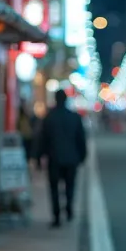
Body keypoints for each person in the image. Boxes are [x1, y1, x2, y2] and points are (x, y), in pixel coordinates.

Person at [38, 89, 87, 227]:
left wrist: (38, 157)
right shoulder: (74, 117)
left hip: (54, 158)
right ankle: (69, 208)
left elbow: (42, 139)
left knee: (53, 187)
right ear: (66, 99)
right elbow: (81, 139)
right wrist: (82, 156)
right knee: (70, 185)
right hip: (72, 158)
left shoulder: (49, 117)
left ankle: (56, 216)